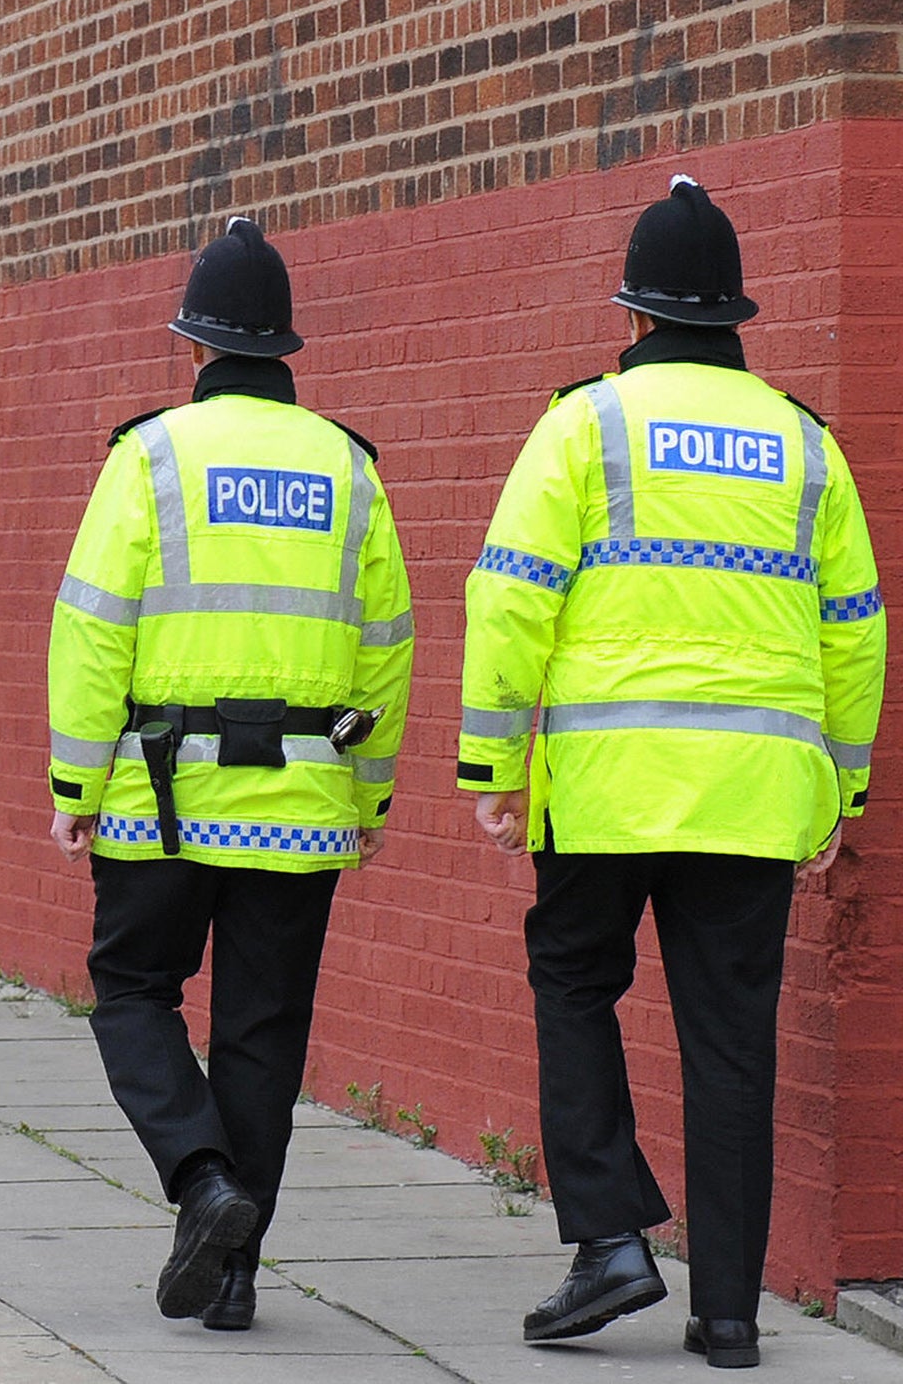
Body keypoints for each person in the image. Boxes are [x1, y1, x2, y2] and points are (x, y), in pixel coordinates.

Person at [459, 176, 886, 1370]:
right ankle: (731, 1317)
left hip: (603, 785)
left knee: (572, 981)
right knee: (731, 1041)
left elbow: (508, 598)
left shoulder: (584, 424)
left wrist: (493, 761)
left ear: (635, 318)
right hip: (753, 798)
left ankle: (607, 1240)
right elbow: (853, 628)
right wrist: (837, 791)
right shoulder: (805, 445)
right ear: (733, 321)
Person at [47, 218, 414, 1331]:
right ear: (284, 351)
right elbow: (385, 643)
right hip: (300, 805)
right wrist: (369, 798)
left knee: (131, 991)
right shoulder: (348, 467)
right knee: (261, 1032)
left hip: (160, 799)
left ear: (193, 348)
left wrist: (74, 784)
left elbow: (91, 629)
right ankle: (237, 1275)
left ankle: (201, 1183)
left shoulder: (150, 455)